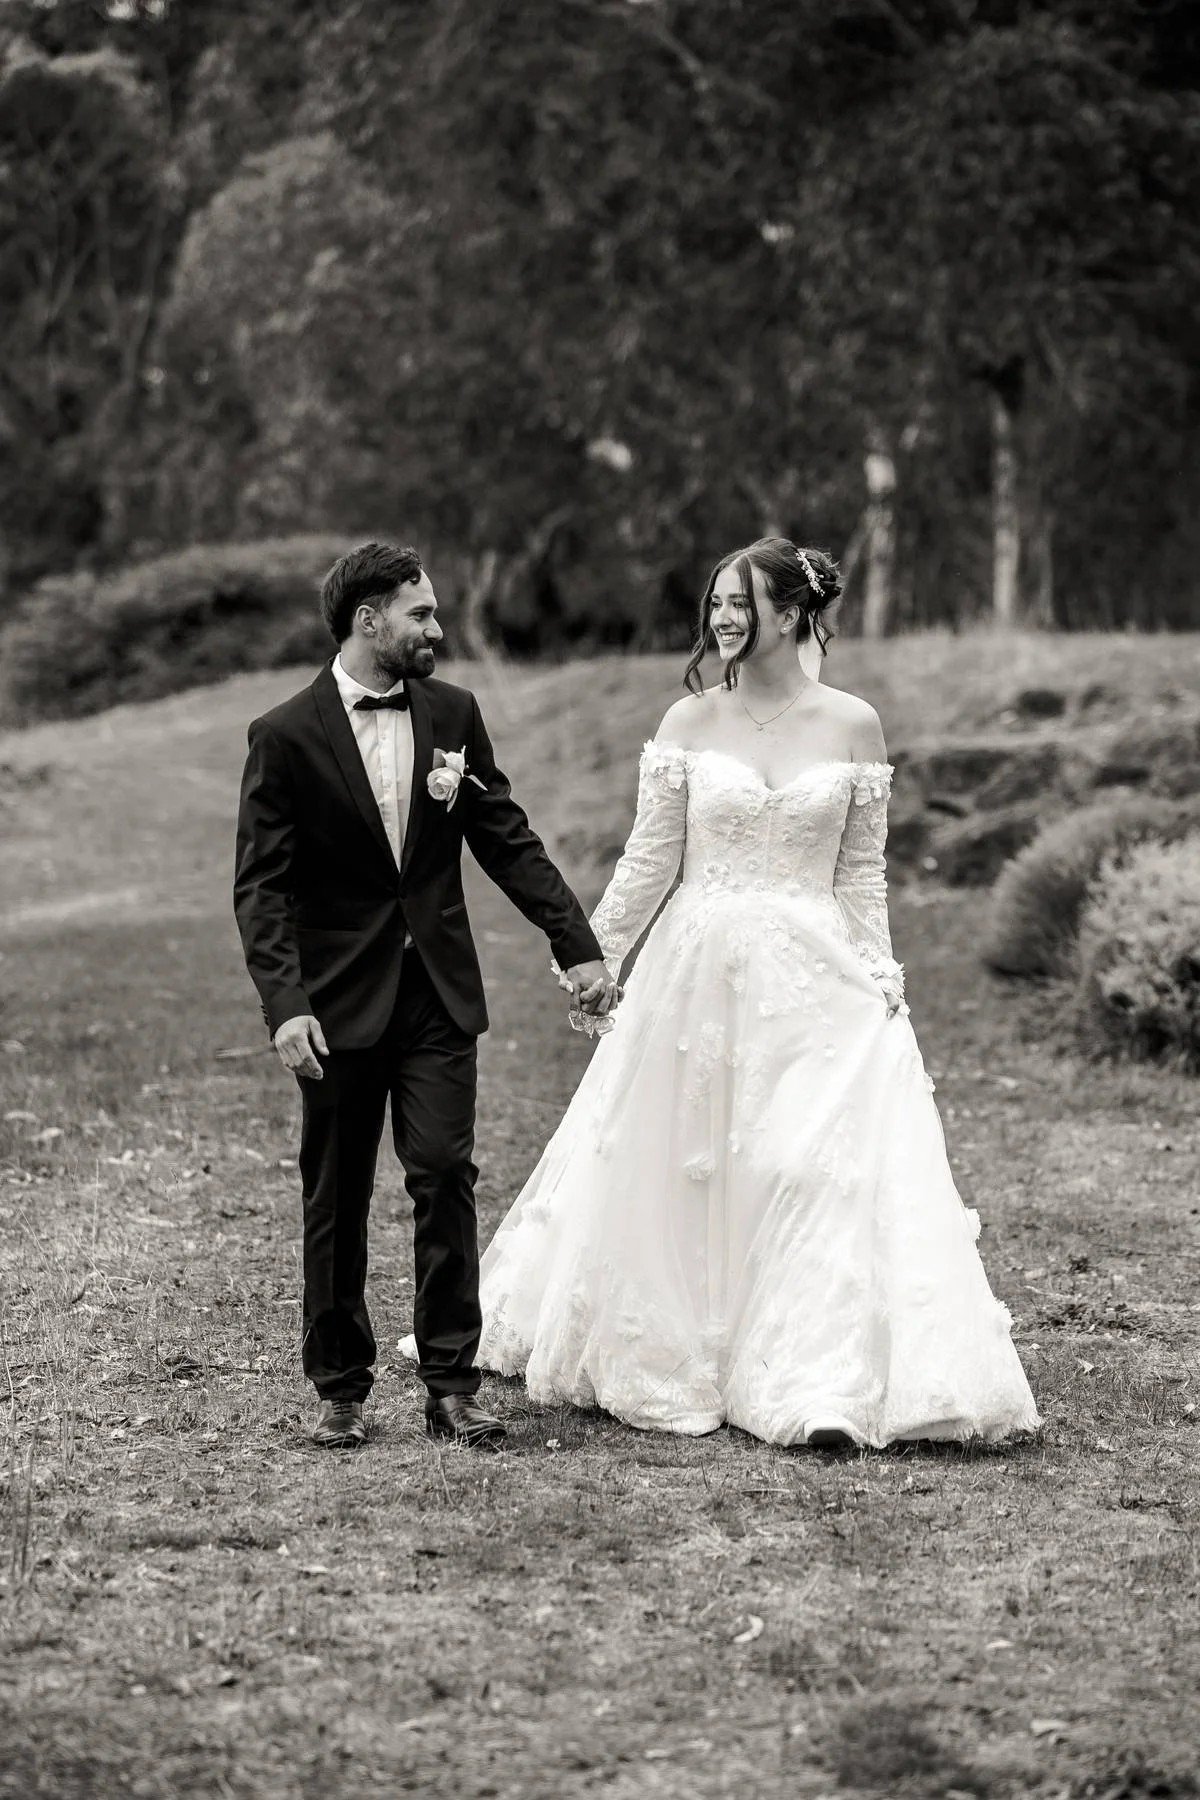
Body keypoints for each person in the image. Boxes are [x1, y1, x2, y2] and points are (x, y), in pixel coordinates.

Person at [469, 537, 1040, 1448]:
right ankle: (678, 1355)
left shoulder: (854, 725)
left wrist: (884, 979)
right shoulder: (690, 723)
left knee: (805, 1167)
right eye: (717, 603)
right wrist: (592, 955)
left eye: (742, 602)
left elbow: (861, 877)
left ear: (793, 613)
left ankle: (811, 1382)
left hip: (818, 981)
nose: (723, 617)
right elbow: (652, 858)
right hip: (695, 978)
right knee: (689, 1166)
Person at [234, 542, 617, 1450]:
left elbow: (505, 837)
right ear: (369, 621)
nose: (437, 629)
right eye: (422, 614)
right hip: (331, 1006)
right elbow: (262, 888)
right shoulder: (283, 735)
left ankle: (451, 1380)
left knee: (444, 1173)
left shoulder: (453, 713)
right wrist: (286, 1003)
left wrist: (578, 944)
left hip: (437, 995)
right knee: (336, 1195)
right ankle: (340, 1387)